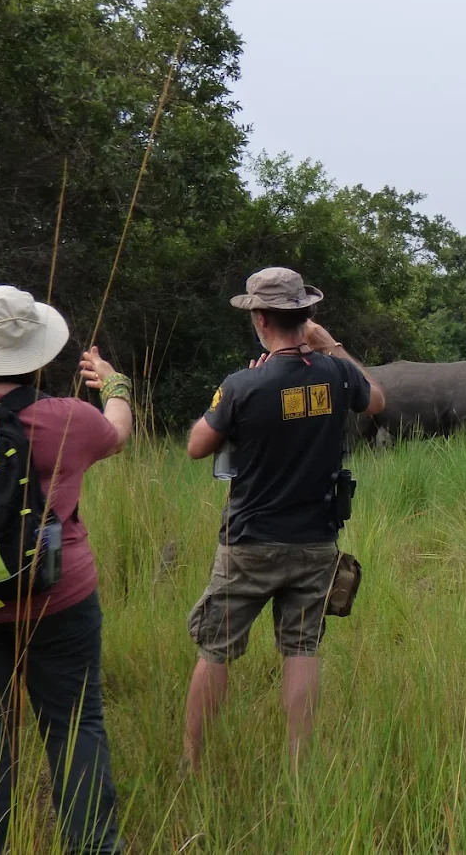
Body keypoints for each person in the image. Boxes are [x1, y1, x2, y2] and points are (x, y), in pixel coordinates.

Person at [0, 286, 132, 855]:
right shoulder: (71, 420)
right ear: (38, 352)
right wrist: (113, 382)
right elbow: (120, 428)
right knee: (75, 725)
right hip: (58, 599)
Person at [182, 267, 384, 771]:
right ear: (306, 316)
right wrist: (333, 346)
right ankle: (299, 769)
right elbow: (377, 401)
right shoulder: (337, 374)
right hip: (316, 541)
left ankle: (192, 761)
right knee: (301, 651)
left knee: (216, 650)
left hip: (248, 541)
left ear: (261, 318)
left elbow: (195, 446)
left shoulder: (242, 384)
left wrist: (241, 396)